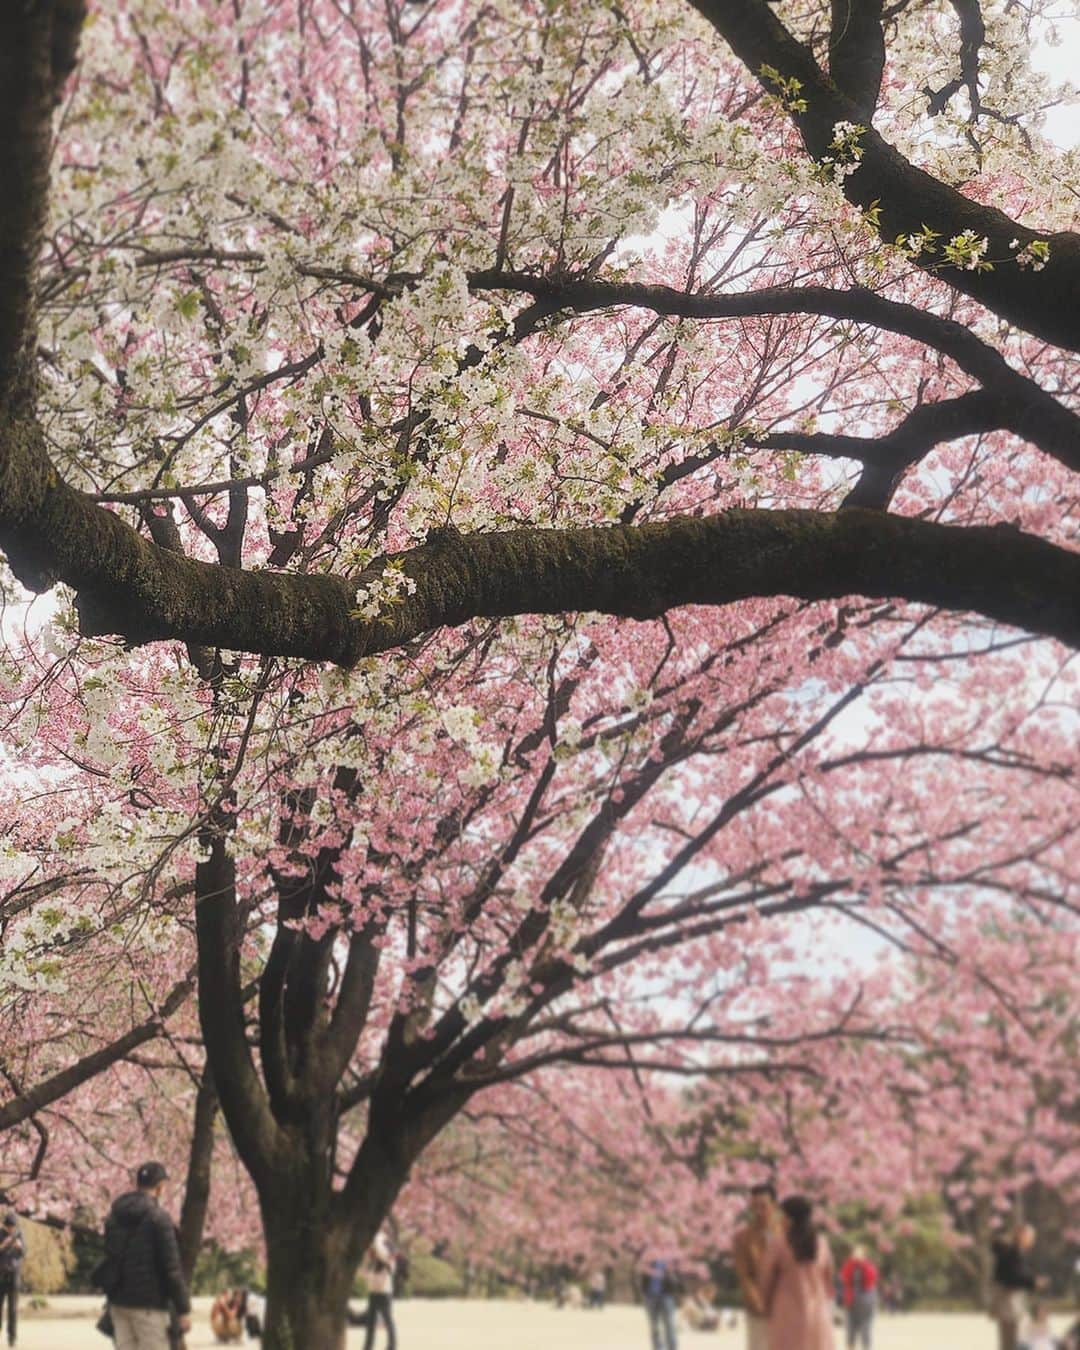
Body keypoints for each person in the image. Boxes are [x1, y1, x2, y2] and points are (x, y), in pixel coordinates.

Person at [99, 1161, 191, 1350]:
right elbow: (171, 1268)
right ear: (159, 1187)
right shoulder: (159, 1219)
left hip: (119, 1303)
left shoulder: (114, 1217)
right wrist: (183, 1309)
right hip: (150, 1306)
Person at [759, 1195, 835, 1350]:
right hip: (817, 1312)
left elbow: (765, 1279)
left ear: (790, 1218)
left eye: (781, 1215)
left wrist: (766, 1305)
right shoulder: (822, 1243)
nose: (779, 1219)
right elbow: (828, 1279)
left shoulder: (778, 1244)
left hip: (786, 1312)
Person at [734, 1182, 781, 1350]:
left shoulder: (788, 1232)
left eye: (763, 1206)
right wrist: (759, 1303)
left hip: (787, 1307)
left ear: (774, 1205)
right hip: (757, 1310)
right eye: (754, 1207)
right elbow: (744, 1275)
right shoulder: (742, 1238)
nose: (758, 1212)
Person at [991, 1223, 1044, 1350]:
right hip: (1008, 1301)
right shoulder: (1012, 1253)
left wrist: (1031, 1281)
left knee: (1012, 1339)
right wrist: (1032, 1282)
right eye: (1030, 1236)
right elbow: (1012, 1277)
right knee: (1010, 1341)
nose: (1032, 1240)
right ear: (1021, 1235)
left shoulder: (1015, 1252)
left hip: (1013, 1301)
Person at [363, 1227, 397, 1350]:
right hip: (374, 1290)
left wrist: (377, 1238)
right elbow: (367, 1266)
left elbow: (383, 1256)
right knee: (371, 1322)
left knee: (388, 1321)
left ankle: (391, 1346)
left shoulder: (389, 1252)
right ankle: (368, 1346)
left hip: (384, 1291)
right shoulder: (375, 1254)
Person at [839, 1245, 878, 1349]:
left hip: (864, 1302)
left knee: (863, 1330)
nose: (856, 1256)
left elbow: (871, 1279)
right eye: (855, 1253)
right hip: (854, 1302)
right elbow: (844, 1278)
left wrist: (861, 1264)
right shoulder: (850, 1265)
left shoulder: (867, 1266)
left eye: (859, 1253)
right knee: (852, 1330)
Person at [641, 1257, 679, 1350]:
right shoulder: (649, 1263)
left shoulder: (671, 1263)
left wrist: (670, 1273)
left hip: (666, 1296)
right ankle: (657, 1347)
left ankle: (672, 1347)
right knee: (654, 1324)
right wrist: (645, 1292)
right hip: (650, 1296)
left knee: (669, 1324)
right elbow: (643, 1279)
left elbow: (676, 1281)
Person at [0, 1213, 23, 1348]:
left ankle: (12, 1338)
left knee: (13, 1309)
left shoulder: (19, 1234)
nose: (11, 1230)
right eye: (9, 1227)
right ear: (5, 1226)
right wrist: (4, 1245)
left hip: (14, 1275)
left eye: (13, 1227)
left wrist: (20, 1246)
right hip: (1, 1274)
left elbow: (24, 1251)